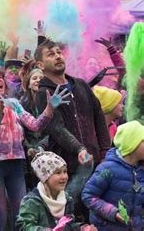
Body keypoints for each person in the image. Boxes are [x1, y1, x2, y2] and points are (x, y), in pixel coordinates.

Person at [0, 65, 69, 231]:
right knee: (0, 215)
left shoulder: (15, 103)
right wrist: (0, 108)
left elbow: (35, 125)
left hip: (16, 164)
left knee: (21, 214)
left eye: (0, 76)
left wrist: (49, 109)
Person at [34, 39, 110, 174]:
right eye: (51, 54)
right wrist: (79, 149)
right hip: (64, 168)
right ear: (40, 65)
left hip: (95, 161)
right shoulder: (44, 93)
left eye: (59, 52)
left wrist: (105, 152)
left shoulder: (81, 85)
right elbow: (57, 128)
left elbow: (99, 116)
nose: (58, 56)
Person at [82, 120, 144, 230]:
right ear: (131, 145)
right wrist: (113, 213)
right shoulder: (107, 169)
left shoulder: (140, 170)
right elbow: (88, 195)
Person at [16, 152, 96, 231]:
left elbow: (68, 227)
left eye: (65, 172)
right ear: (45, 177)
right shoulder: (32, 202)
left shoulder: (67, 199)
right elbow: (23, 227)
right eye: (58, 173)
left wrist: (82, 228)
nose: (64, 177)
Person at [19, 61, 49, 190]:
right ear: (28, 83)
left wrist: (41, 146)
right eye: (34, 78)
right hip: (27, 151)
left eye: (41, 78)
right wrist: (28, 147)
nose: (37, 81)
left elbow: (54, 129)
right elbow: (20, 130)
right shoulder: (21, 104)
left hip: (48, 149)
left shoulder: (51, 102)